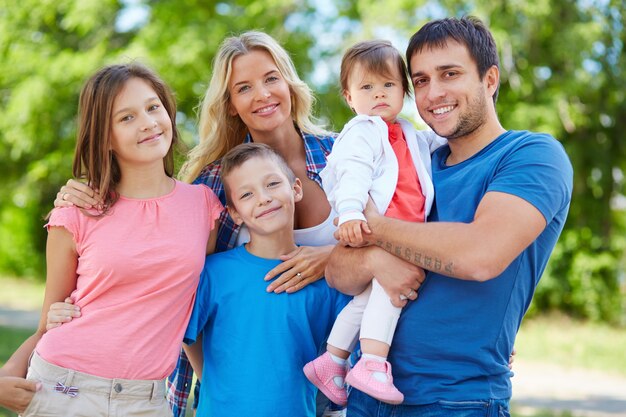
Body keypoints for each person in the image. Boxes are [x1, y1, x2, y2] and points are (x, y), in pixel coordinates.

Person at [51, 31, 344, 417]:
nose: (262, 94)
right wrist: (84, 195)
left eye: (271, 78)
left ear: (289, 82)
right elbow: (178, 276)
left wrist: (330, 258)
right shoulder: (212, 187)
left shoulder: (345, 157)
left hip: (337, 372)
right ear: (231, 105)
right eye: (244, 87)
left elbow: (391, 241)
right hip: (242, 387)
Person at [325, 16, 573, 417]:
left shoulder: (531, 156)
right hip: (368, 392)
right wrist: (371, 257)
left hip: (457, 400)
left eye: (450, 74)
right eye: (420, 80)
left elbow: (479, 256)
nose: (433, 92)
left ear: (490, 80)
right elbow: (338, 271)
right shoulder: (411, 161)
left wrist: (375, 227)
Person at [0, 63, 222, 416]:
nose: (148, 122)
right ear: (104, 137)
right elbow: (48, 323)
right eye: (126, 117)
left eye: (153, 107)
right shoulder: (75, 212)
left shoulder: (204, 206)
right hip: (64, 389)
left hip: (146, 400)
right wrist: (5, 378)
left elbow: (196, 306)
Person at [303, 40, 445, 406]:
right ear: (349, 97)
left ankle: (332, 360)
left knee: (366, 301)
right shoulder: (362, 130)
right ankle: (373, 363)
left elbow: (433, 143)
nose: (379, 95)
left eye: (388, 85)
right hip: (378, 228)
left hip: (401, 228)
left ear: (403, 91)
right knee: (390, 293)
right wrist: (350, 212)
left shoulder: (408, 132)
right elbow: (353, 172)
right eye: (367, 87)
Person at [180, 142, 349, 416]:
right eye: (247, 194)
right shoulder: (213, 273)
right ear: (234, 213)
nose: (263, 198)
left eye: (272, 184)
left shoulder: (325, 280)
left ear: (295, 189)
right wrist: (212, 383)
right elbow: (189, 338)